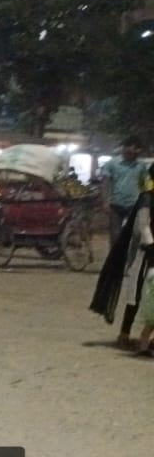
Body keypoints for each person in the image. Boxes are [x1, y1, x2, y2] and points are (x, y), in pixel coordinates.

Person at [90, 183, 154, 349]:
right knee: (136, 295)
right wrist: (151, 245)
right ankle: (125, 333)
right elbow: (143, 225)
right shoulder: (147, 198)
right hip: (145, 255)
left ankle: (145, 337)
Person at [100, 137, 146, 246]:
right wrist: (105, 201)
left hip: (134, 204)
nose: (133, 154)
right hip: (116, 204)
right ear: (124, 149)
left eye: (136, 151)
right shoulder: (112, 164)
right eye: (130, 151)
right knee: (115, 236)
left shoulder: (141, 165)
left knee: (137, 233)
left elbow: (145, 183)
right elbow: (105, 183)